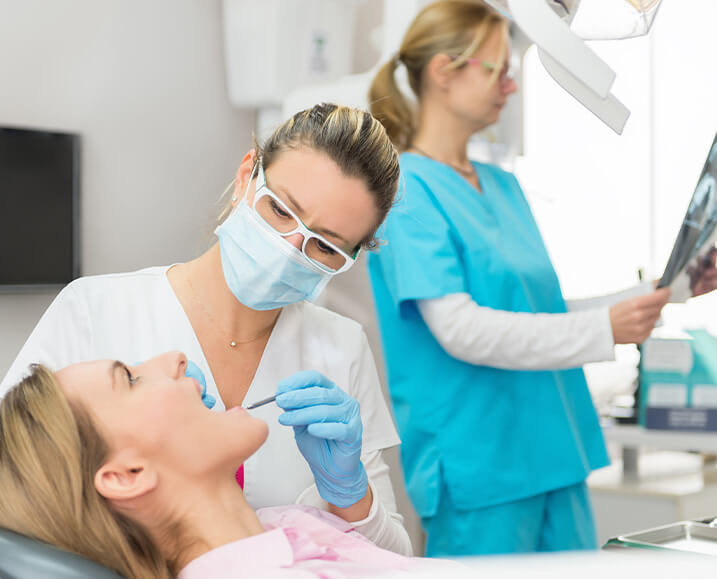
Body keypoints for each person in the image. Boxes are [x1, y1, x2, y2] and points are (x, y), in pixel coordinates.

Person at [364, 0, 717, 557]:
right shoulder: (405, 192)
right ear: (443, 71)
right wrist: (606, 330)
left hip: (555, 451)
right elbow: (463, 330)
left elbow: (542, 309)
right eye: (498, 69)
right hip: (480, 466)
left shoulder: (502, 186)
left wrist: (670, 291)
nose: (511, 86)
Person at [0, 104, 412, 554]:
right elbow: (15, 497)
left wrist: (351, 496)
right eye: (279, 209)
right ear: (245, 177)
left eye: (325, 246)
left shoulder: (341, 346)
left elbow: (394, 558)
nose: (288, 250)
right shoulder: (93, 309)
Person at [0, 353, 466, 578]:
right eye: (131, 378)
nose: (176, 357)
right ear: (127, 475)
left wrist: (351, 495)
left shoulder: (285, 524)